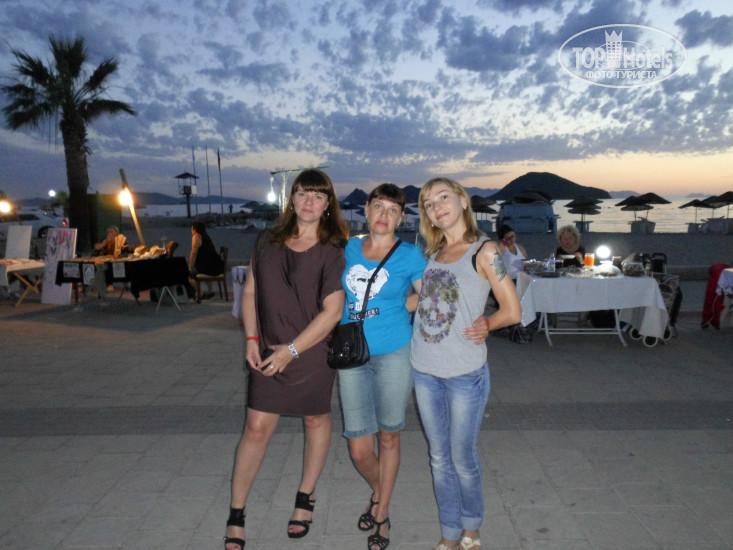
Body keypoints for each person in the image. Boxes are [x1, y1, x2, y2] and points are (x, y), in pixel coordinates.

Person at [224, 168, 348, 550]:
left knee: (315, 418)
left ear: (328, 205)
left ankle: (305, 497)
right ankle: (236, 512)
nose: (310, 201)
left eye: (318, 195)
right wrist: (251, 337)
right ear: (291, 198)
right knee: (256, 428)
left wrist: (292, 351)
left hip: (310, 350)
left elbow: (333, 312)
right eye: (303, 193)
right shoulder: (267, 240)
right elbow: (250, 292)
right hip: (268, 346)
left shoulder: (333, 249)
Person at [411, 177, 521, 550]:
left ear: (462, 200)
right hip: (424, 368)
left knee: (461, 458)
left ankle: (471, 528)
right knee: (438, 458)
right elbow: (426, 302)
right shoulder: (433, 252)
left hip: (464, 373)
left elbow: (513, 310)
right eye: (428, 203)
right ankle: (449, 530)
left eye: (443, 197)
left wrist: (489, 322)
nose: (436, 206)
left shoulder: (486, 251)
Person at [338, 183, 427, 550]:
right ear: (367, 209)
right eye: (378, 206)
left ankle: (382, 512)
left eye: (393, 210)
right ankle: (379, 492)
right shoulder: (349, 248)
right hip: (351, 355)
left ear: (401, 217)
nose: (384, 214)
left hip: (394, 353)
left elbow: (427, 294)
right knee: (359, 447)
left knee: (388, 436)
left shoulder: (410, 255)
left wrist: (401, 307)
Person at [553, 224, 589, 326]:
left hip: (579, 282)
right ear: (560, 239)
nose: (567, 241)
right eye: (564, 239)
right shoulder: (557, 251)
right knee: (549, 291)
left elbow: (588, 268)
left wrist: (580, 260)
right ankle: (553, 322)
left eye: (569, 238)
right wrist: (557, 261)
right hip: (561, 283)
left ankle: (582, 320)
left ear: (575, 238)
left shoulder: (582, 250)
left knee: (589, 291)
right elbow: (551, 267)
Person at [189, 221, 224, 300]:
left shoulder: (196, 237)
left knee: (189, 275)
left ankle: (200, 293)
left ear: (194, 229)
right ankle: (210, 291)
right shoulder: (206, 236)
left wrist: (190, 267)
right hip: (216, 267)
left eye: (192, 229)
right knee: (200, 268)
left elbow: (193, 253)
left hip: (209, 268)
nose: (191, 231)